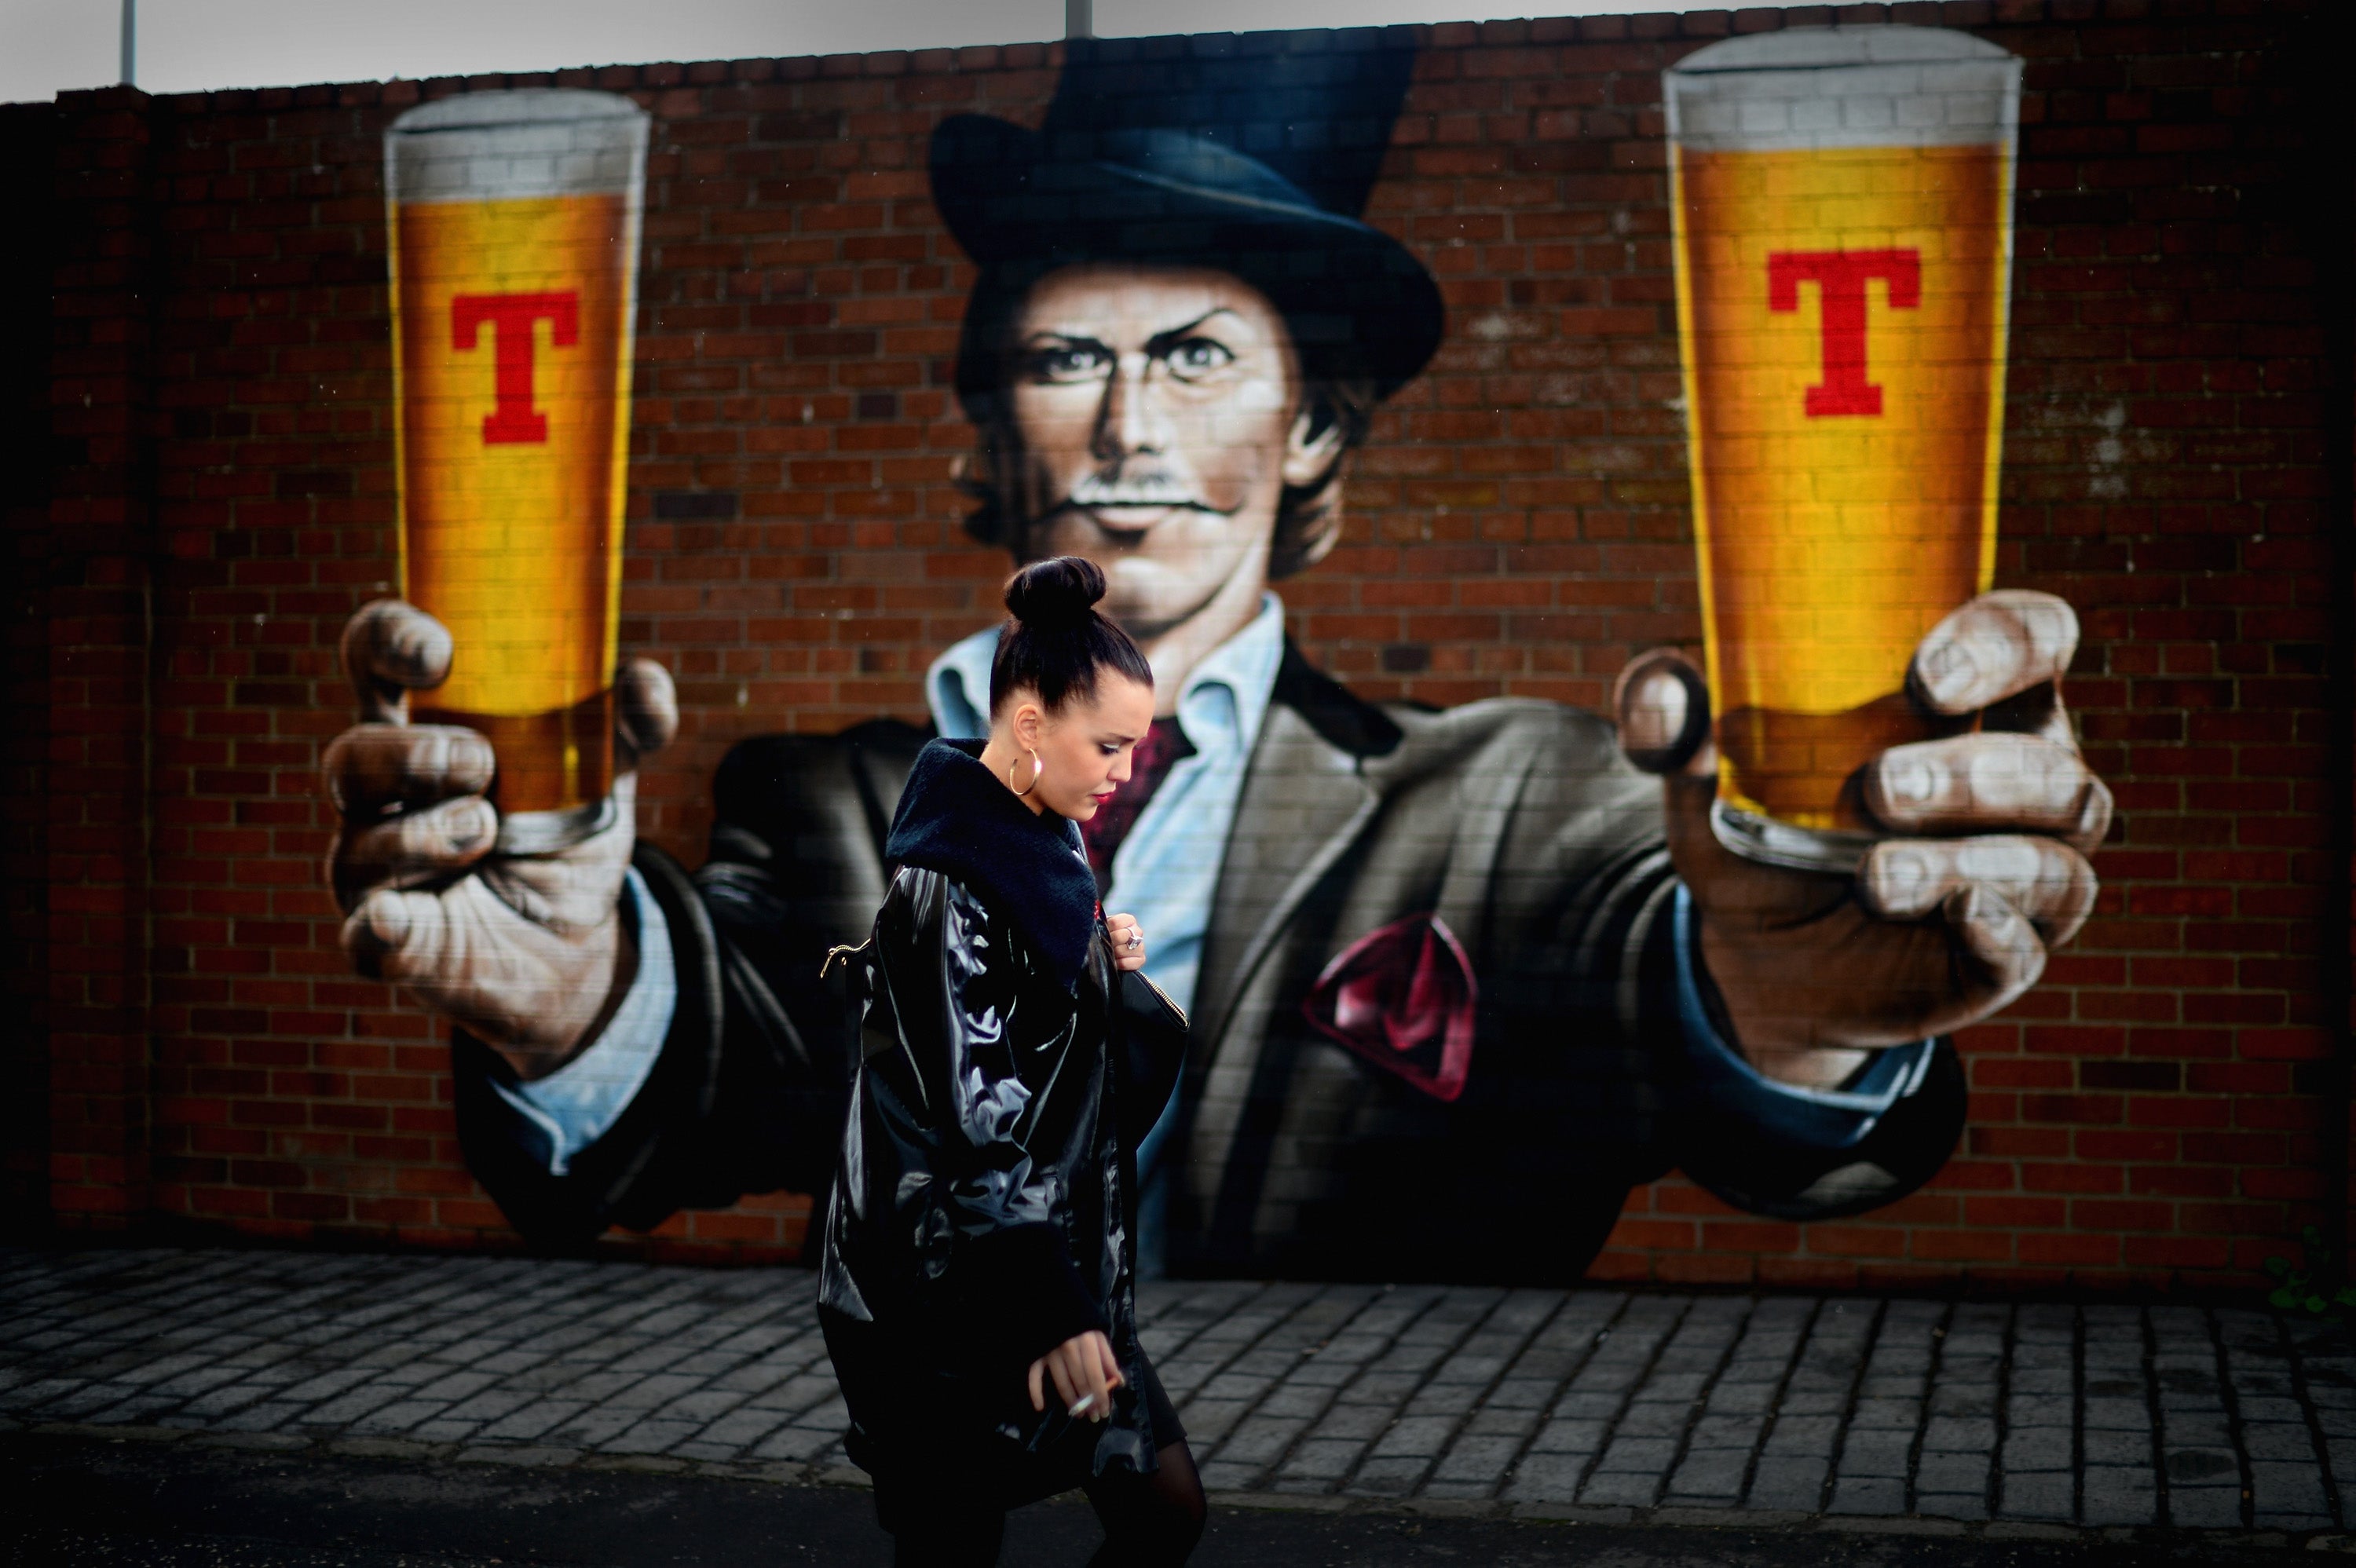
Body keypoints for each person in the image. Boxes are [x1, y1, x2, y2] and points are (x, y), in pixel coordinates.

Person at [322, 42, 2109, 1279]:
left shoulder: (1509, 798)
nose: (1119, 431)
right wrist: (569, 989)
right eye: (1060, 362)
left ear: (1312, 426)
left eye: (1189, 357)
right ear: (989, 431)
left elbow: (1667, 1000)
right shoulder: (845, 806)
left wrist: (1793, 1011)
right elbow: (718, 1071)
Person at [818, 556, 1203, 1566]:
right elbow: (976, 1112)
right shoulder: (950, 879)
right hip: (951, 1289)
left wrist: (1094, 964)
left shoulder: (1041, 837)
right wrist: (1057, 1304)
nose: (1124, 770)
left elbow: (1031, 1040)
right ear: (1030, 725)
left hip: (1036, 1257)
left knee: (1165, 1508)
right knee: (956, 1542)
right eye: (1109, 744)